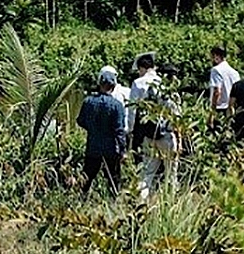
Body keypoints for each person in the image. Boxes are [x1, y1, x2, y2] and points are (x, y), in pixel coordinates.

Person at [77, 67, 127, 195]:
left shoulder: (88, 101)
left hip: (93, 147)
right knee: (113, 181)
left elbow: (80, 121)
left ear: (99, 83)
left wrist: (93, 129)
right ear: (114, 85)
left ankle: (80, 201)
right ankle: (113, 205)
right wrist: (123, 151)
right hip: (111, 149)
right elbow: (119, 130)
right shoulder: (117, 105)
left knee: (86, 178)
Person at [138, 63, 182, 199]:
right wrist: (179, 142)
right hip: (167, 137)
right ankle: (169, 204)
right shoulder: (171, 94)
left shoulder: (151, 91)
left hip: (150, 136)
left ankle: (141, 203)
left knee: (147, 174)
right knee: (171, 174)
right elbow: (177, 120)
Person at [127, 52, 162, 167]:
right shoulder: (161, 81)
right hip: (160, 125)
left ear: (142, 68)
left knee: (142, 158)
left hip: (142, 125)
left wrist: (130, 128)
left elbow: (132, 108)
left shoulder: (137, 83)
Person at [208, 47, 240, 132]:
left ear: (216, 56)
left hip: (220, 109)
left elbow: (217, 92)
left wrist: (212, 114)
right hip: (232, 109)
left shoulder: (216, 70)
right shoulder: (235, 73)